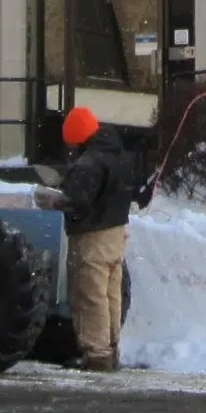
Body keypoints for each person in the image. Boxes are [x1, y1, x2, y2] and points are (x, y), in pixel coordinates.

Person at [53, 105, 147, 372]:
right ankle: (111, 348)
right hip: (117, 233)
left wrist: (54, 201)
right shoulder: (119, 156)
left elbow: (76, 203)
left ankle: (96, 354)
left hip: (92, 235)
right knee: (110, 294)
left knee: (90, 295)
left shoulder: (88, 164)